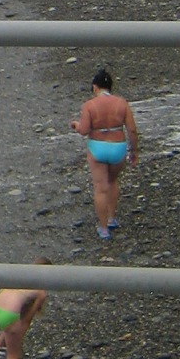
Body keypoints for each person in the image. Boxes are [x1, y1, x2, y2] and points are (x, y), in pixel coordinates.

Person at [70, 67, 139, 239]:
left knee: (100, 188)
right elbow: (132, 130)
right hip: (118, 146)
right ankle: (111, 218)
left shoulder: (89, 105)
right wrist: (134, 151)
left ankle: (103, 229)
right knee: (113, 181)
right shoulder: (122, 103)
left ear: (95, 87)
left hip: (98, 147)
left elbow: (84, 130)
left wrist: (76, 125)